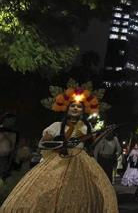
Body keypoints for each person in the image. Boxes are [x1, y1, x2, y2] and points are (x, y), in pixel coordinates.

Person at [0, 80, 118, 213]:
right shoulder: (56, 126)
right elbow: (42, 143)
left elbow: (91, 145)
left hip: (82, 161)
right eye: (72, 105)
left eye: (79, 107)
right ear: (67, 108)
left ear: (83, 110)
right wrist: (60, 144)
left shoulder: (86, 127)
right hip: (59, 160)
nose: (75, 108)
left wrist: (104, 133)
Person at [0, 113, 18, 181]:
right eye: (11, 120)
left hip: (6, 158)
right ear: (5, 120)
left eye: (13, 120)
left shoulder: (14, 133)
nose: (12, 122)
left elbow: (14, 147)